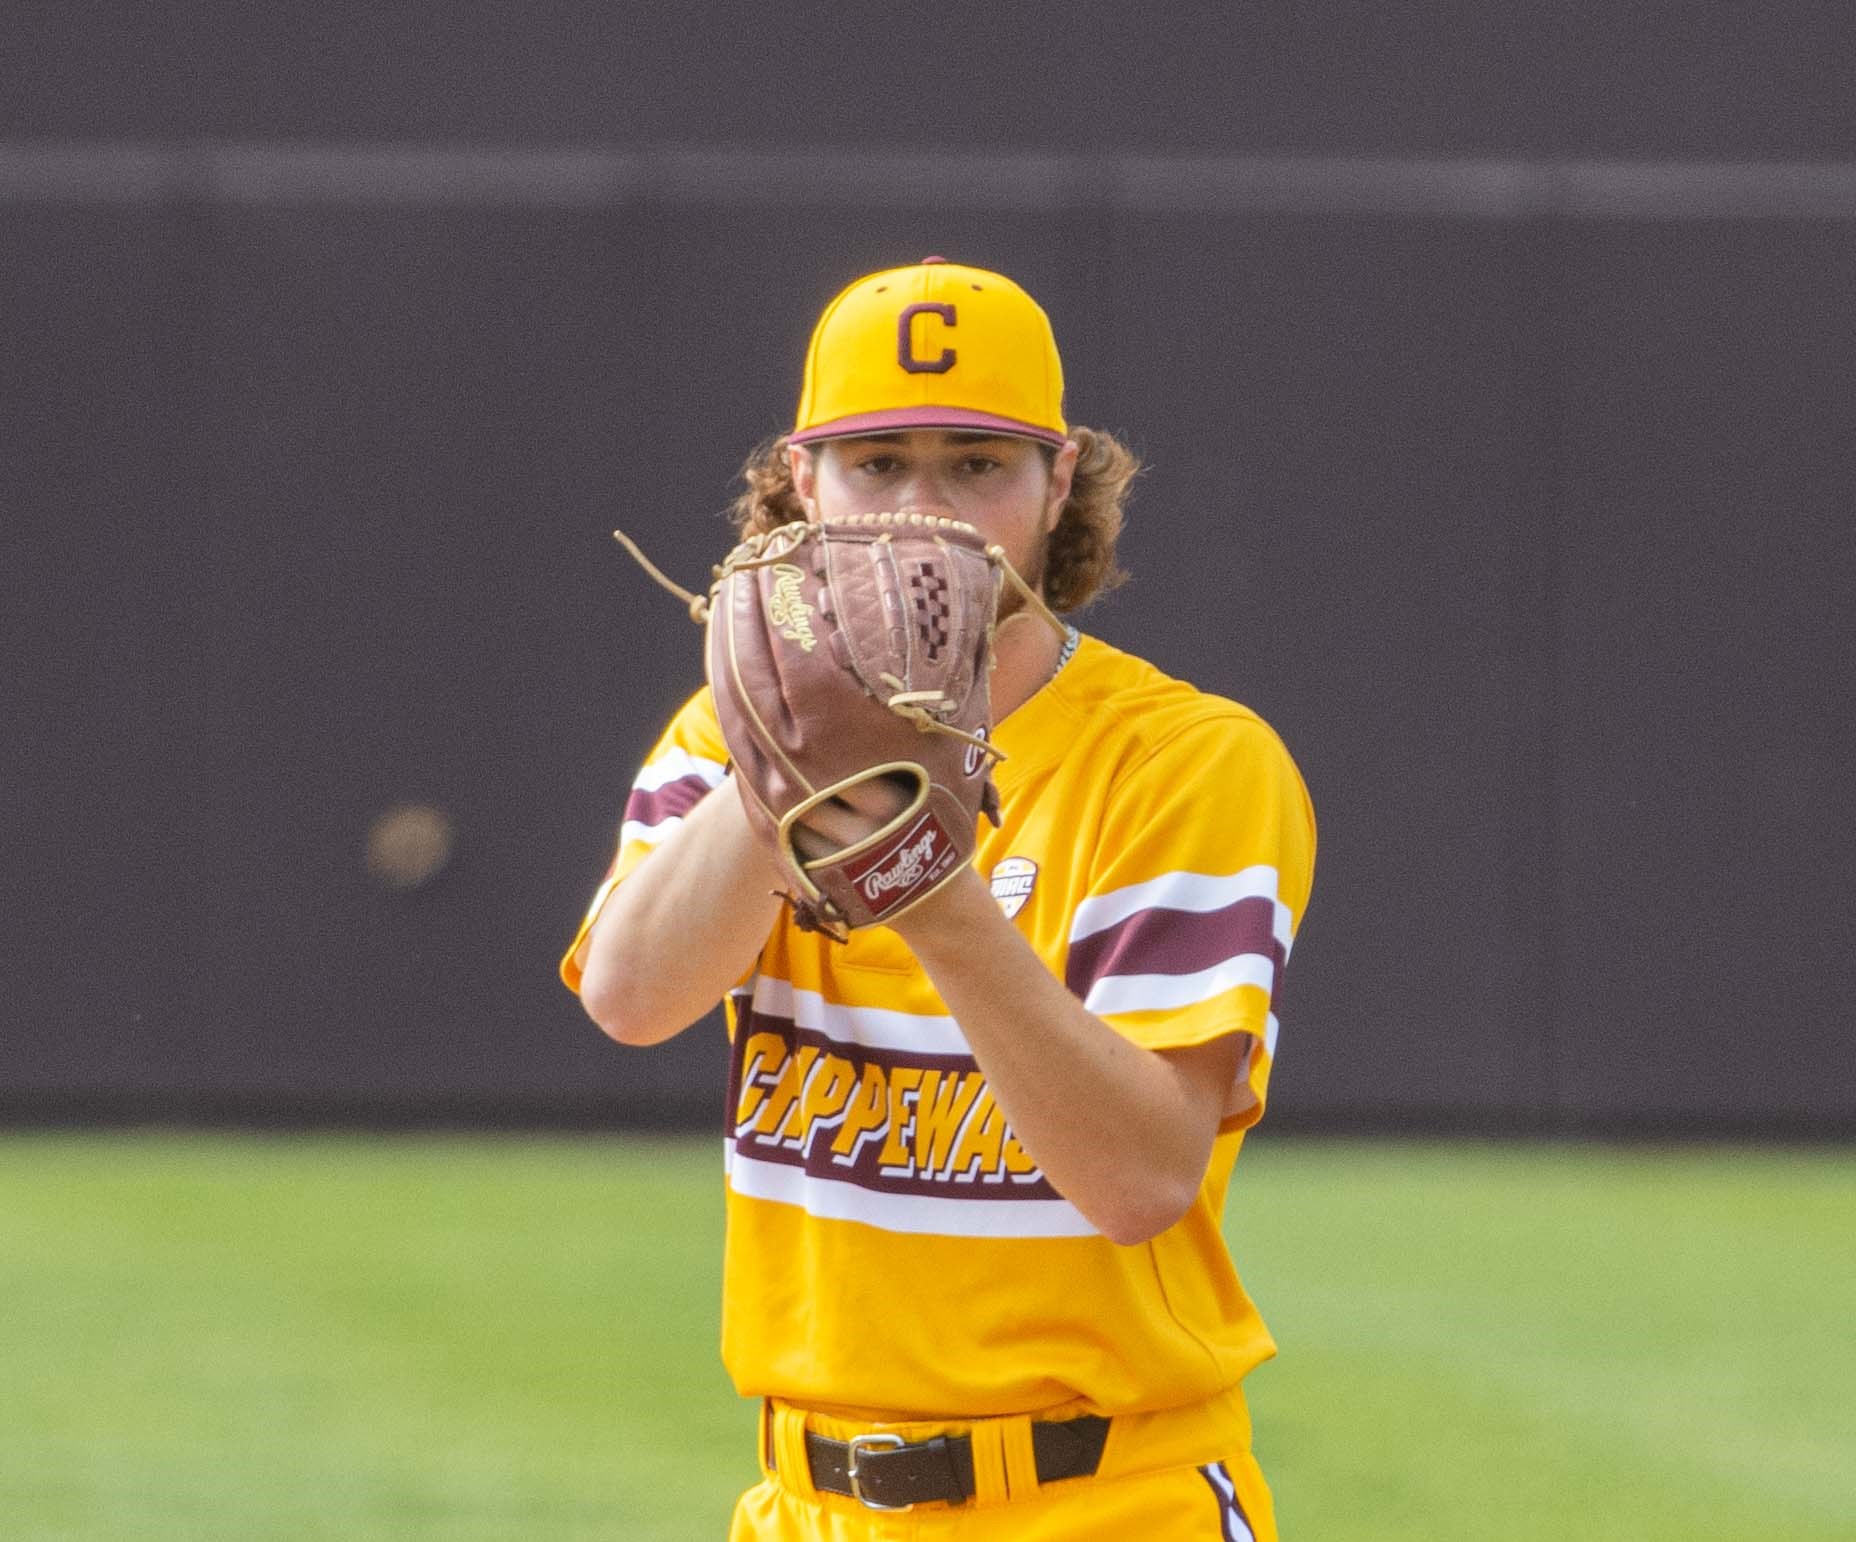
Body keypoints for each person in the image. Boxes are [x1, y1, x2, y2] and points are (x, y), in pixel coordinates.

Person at [562, 257, 1316, 1541]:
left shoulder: (1183, 757)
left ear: (1058, 481)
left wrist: (933, 895)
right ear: (800, 480)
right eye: (877, 464)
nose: (925, 512)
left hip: (1103, 1499)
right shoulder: (728, 730)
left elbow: (1140, 1180)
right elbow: (632, 1000)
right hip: (807, 1503)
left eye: (976, 465)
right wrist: (779, 771)